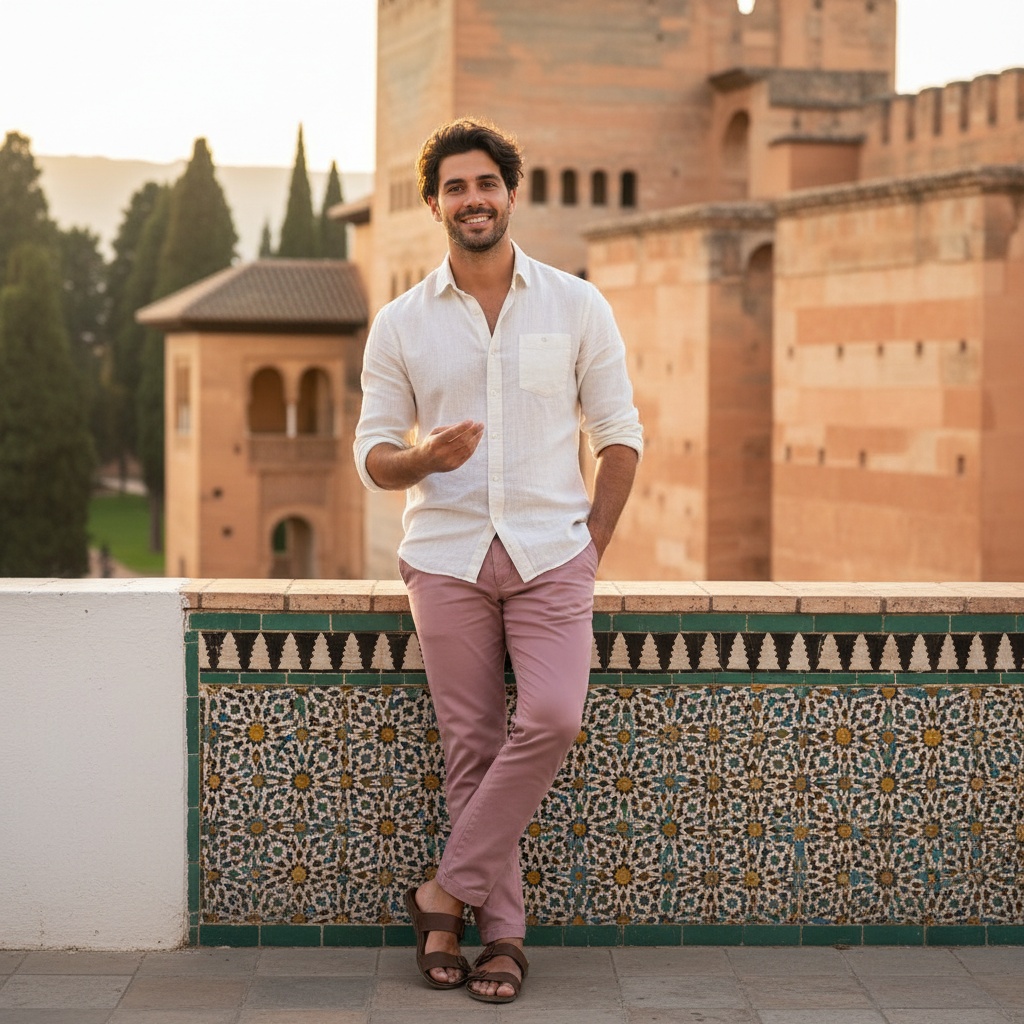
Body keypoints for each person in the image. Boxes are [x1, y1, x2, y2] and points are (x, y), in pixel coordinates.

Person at [354, 117, 642, 1004]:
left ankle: (442, 895)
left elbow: (621, 438)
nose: (472, 199)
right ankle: (501, 937)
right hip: (443, 556)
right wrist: (422, 461)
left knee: (551, 716)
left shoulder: (577, 305)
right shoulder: (401, 323)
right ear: (433, 203)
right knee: (471, 746)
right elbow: (372, 455)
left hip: (554, 555)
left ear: (511, 193)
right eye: (455, 187)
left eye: (486, 184)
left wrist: (588, 548)